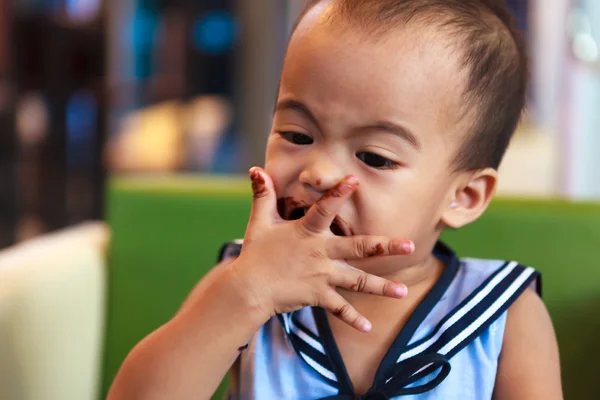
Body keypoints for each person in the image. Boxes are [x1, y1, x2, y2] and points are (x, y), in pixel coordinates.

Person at [107, 0, 562, 398]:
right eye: (296, 134)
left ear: (462, 196)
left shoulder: (503, 316)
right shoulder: (241, 283)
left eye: (374, 156)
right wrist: (245, 293)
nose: (319, 172)